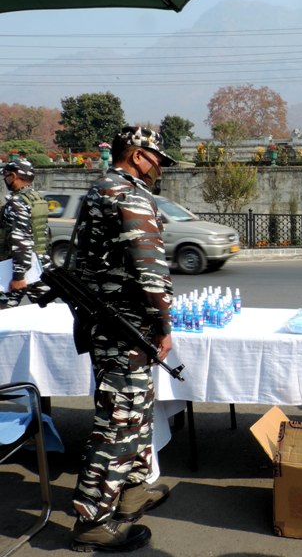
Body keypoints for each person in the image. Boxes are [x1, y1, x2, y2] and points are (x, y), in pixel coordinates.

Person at [70, 126, 176, 552]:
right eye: (154, 160)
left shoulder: (98, 189)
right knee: (117, 424)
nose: (157, 169)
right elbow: (150, 270)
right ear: (136, 155)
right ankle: (92, 521)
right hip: (126, 327)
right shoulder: (127, 194)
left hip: (111, 324)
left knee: (137, 414)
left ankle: (131, 494)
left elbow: (78, 262)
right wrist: (164, 324)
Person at [0, 157, 50, 308]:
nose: (5, 180)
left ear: (13, 176)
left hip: (17, 267)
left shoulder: (17, 202)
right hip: (39, 265)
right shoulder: (37, 198)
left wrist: (18, 276)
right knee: (46, 308)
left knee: (4, 311)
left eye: (6, 175)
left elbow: (20, 240)